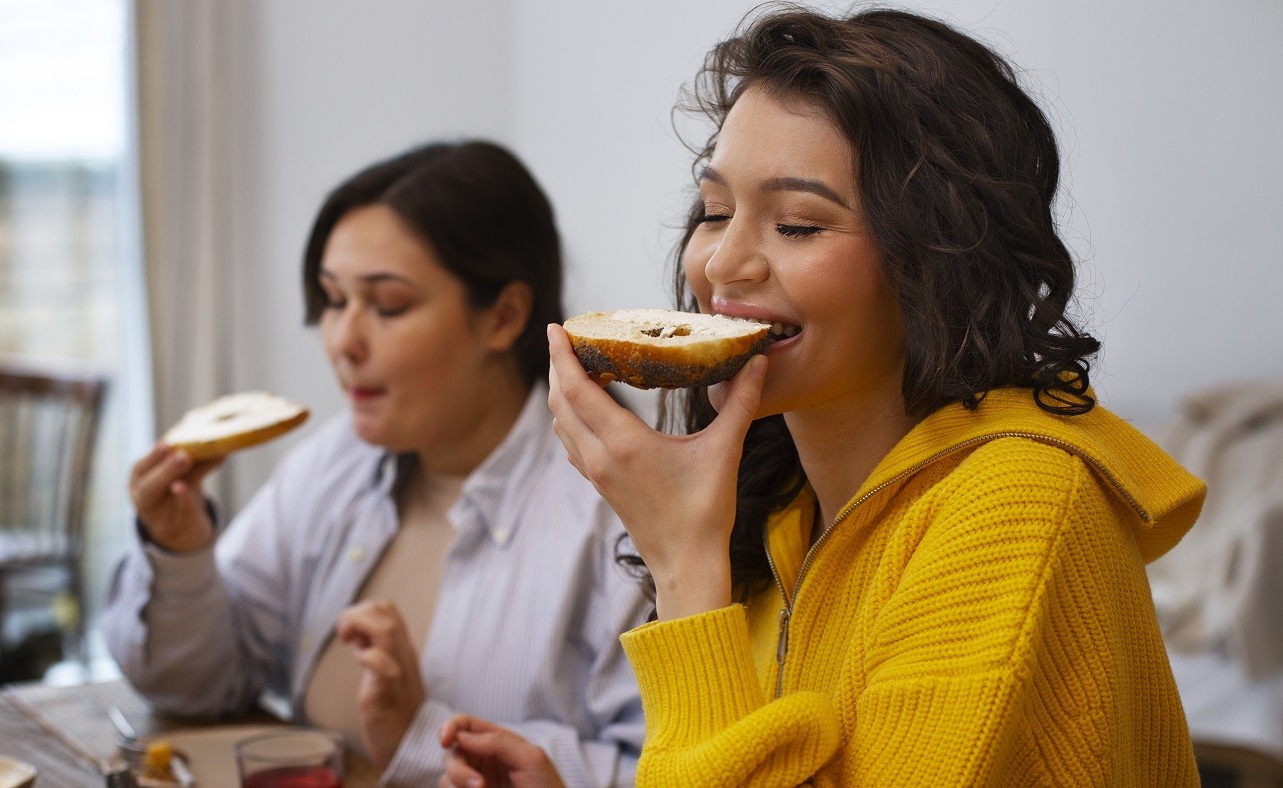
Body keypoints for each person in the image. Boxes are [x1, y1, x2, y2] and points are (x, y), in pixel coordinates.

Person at [445, 7, 1206, 787]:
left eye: (799, 225)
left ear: (935, 261)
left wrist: (684, 568)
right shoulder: (782, 515)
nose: (722, 265)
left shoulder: (1019, 508)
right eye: (714, 212)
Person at [102, 141, 647, 787]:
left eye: (387, 306)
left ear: (504, 317)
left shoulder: (613, 511)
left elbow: (657, 767)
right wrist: (179, 554)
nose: (343, 342)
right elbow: (197, 684)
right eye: (333, 300)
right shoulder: (339, 461)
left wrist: (424, 731)